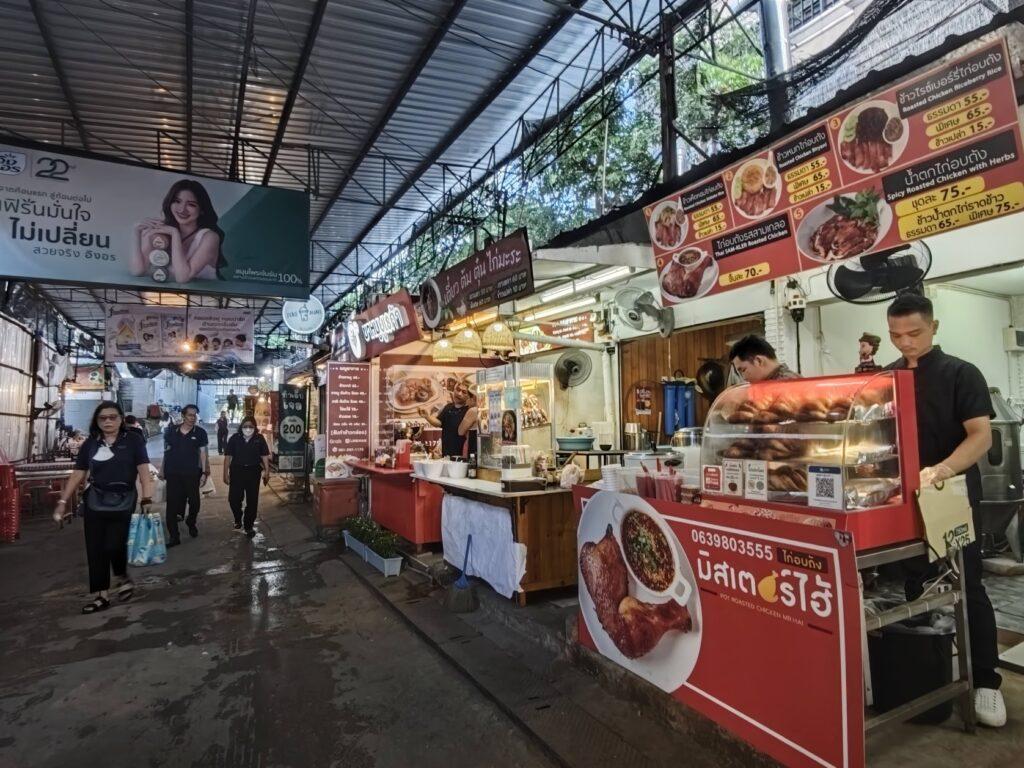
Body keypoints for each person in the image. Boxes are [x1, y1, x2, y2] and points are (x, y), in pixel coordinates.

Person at [885, 292, 1004, 727]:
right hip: (902, 499)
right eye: (896, 335)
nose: (905, 343)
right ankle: (930, 667)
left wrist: (941, 470)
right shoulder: (888, 377)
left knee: (967, 583)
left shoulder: (961, 373)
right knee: (915, 582)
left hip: (951, 496)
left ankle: (986, 682)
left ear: (934, 327)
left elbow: (980, 437)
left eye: (914, 333)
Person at [54, 402, 153, 614]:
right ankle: (101, 595)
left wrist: (147, 498)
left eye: (112, 417)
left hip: (124, 499)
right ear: (96, 422)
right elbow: (79, 473)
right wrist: (62, 502)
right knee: (95, 547)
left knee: (114, 544)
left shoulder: (133, 441)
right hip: (95, 500)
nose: (108, 421)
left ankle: (121, 575)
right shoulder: (90, 444)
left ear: (120, 419)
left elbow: (144, 470)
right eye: (103, 418)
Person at [130, 179, 226, 284]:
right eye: (177, 201)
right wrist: (136, 233)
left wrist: (175, 234)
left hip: (205, 296)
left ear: (202, 209)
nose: (182, 209)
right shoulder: (163, 233)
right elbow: (137, 271)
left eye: (191, 204)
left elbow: (183, 278)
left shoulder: (210, 237)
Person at [160, 404, 210, 546]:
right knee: (172, 505)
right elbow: (166, 452)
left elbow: (203, 453)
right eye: (190, 415)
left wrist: (204, 473)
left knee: (194, 502)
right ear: (183, 416)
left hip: (192, 473)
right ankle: (174, 537)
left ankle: (191, 521)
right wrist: (162, 470)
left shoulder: (200, 433)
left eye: (194, 415)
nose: (192, 418)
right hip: (173, 473)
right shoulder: (171, 431)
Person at [223, 416, 271, 538]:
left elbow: (264, 455)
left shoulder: (259, 439)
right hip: (237, 471)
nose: (248, 428)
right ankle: (238, 518)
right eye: (245, 426)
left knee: (252, 500)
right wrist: (225, 473)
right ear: (241, 426)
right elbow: (228, 456)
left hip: (253, 472)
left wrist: (267, 471)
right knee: (233, 499)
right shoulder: (234, 439)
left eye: (251, 426)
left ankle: (248, 526)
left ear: (255, 428)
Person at [418, 382, 478, 458]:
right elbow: (439, 423)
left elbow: (462, 432)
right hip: (447, 451)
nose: (459, 394)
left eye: (464, 392)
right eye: (458, 389)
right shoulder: (449, 407)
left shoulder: (469, 410)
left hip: (462, 453)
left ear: (470, 396)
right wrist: (427, 417)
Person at [728, 335, 800, 383]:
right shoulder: (790, 379)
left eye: (743, 370)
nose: (743, 378)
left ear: (759, 361)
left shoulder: (782, 385)